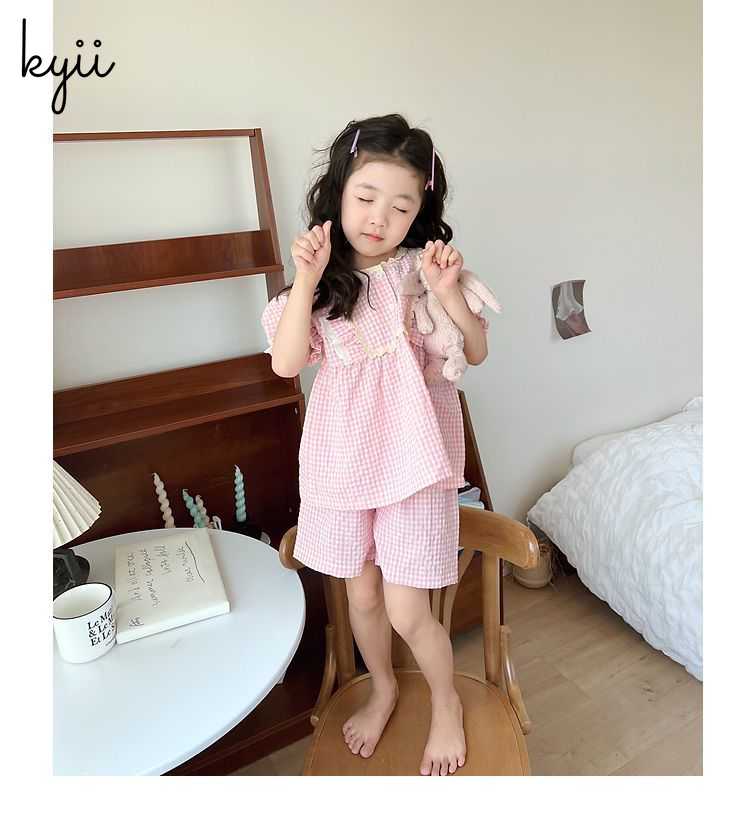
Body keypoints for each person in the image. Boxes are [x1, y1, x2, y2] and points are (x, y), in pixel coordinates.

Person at [261, 114, 494, 776]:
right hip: (341, 462)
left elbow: (476, 351)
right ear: (337, 190)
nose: (379, 218)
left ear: (421, 210)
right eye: (365, 197)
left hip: (414, 462)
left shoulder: (420, 273)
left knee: (406, 606)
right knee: (361, 595)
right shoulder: (318, 285)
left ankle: (445, 701)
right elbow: (286, 363)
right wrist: (307, 278)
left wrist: (448, 292)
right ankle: (384, 687)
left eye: (401, 206)